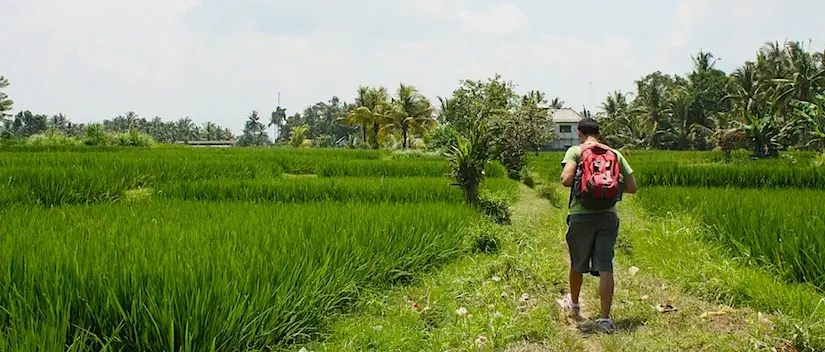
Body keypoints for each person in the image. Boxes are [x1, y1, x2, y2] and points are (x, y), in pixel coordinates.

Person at [558, 117, 638, 333]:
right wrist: (608, 188)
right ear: (599, 133)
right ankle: (605, 319)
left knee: (577, 262)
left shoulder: (575, 151)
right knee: (605, 265)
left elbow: (565, 180)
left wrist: (585, 182)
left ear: (579, 132)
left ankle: (574, 306)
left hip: (580, 215)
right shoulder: (615, 154)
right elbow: (633, 187)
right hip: (608, 216)